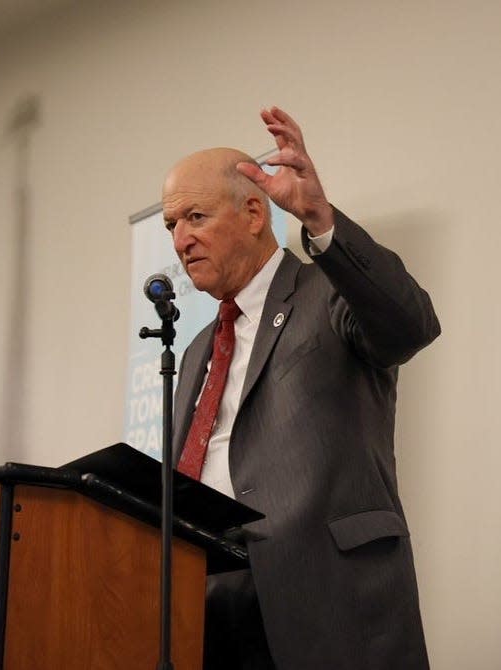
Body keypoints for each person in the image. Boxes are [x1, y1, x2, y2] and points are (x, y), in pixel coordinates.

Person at [163, 107, 440, 669]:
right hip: (207, 602)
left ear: (252, 213)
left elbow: (410, 325)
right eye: (171, 226)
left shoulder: (327, 292)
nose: (181, 240)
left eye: (194, 216)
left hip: (326, 594)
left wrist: (318, 216)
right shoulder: (194, 351)